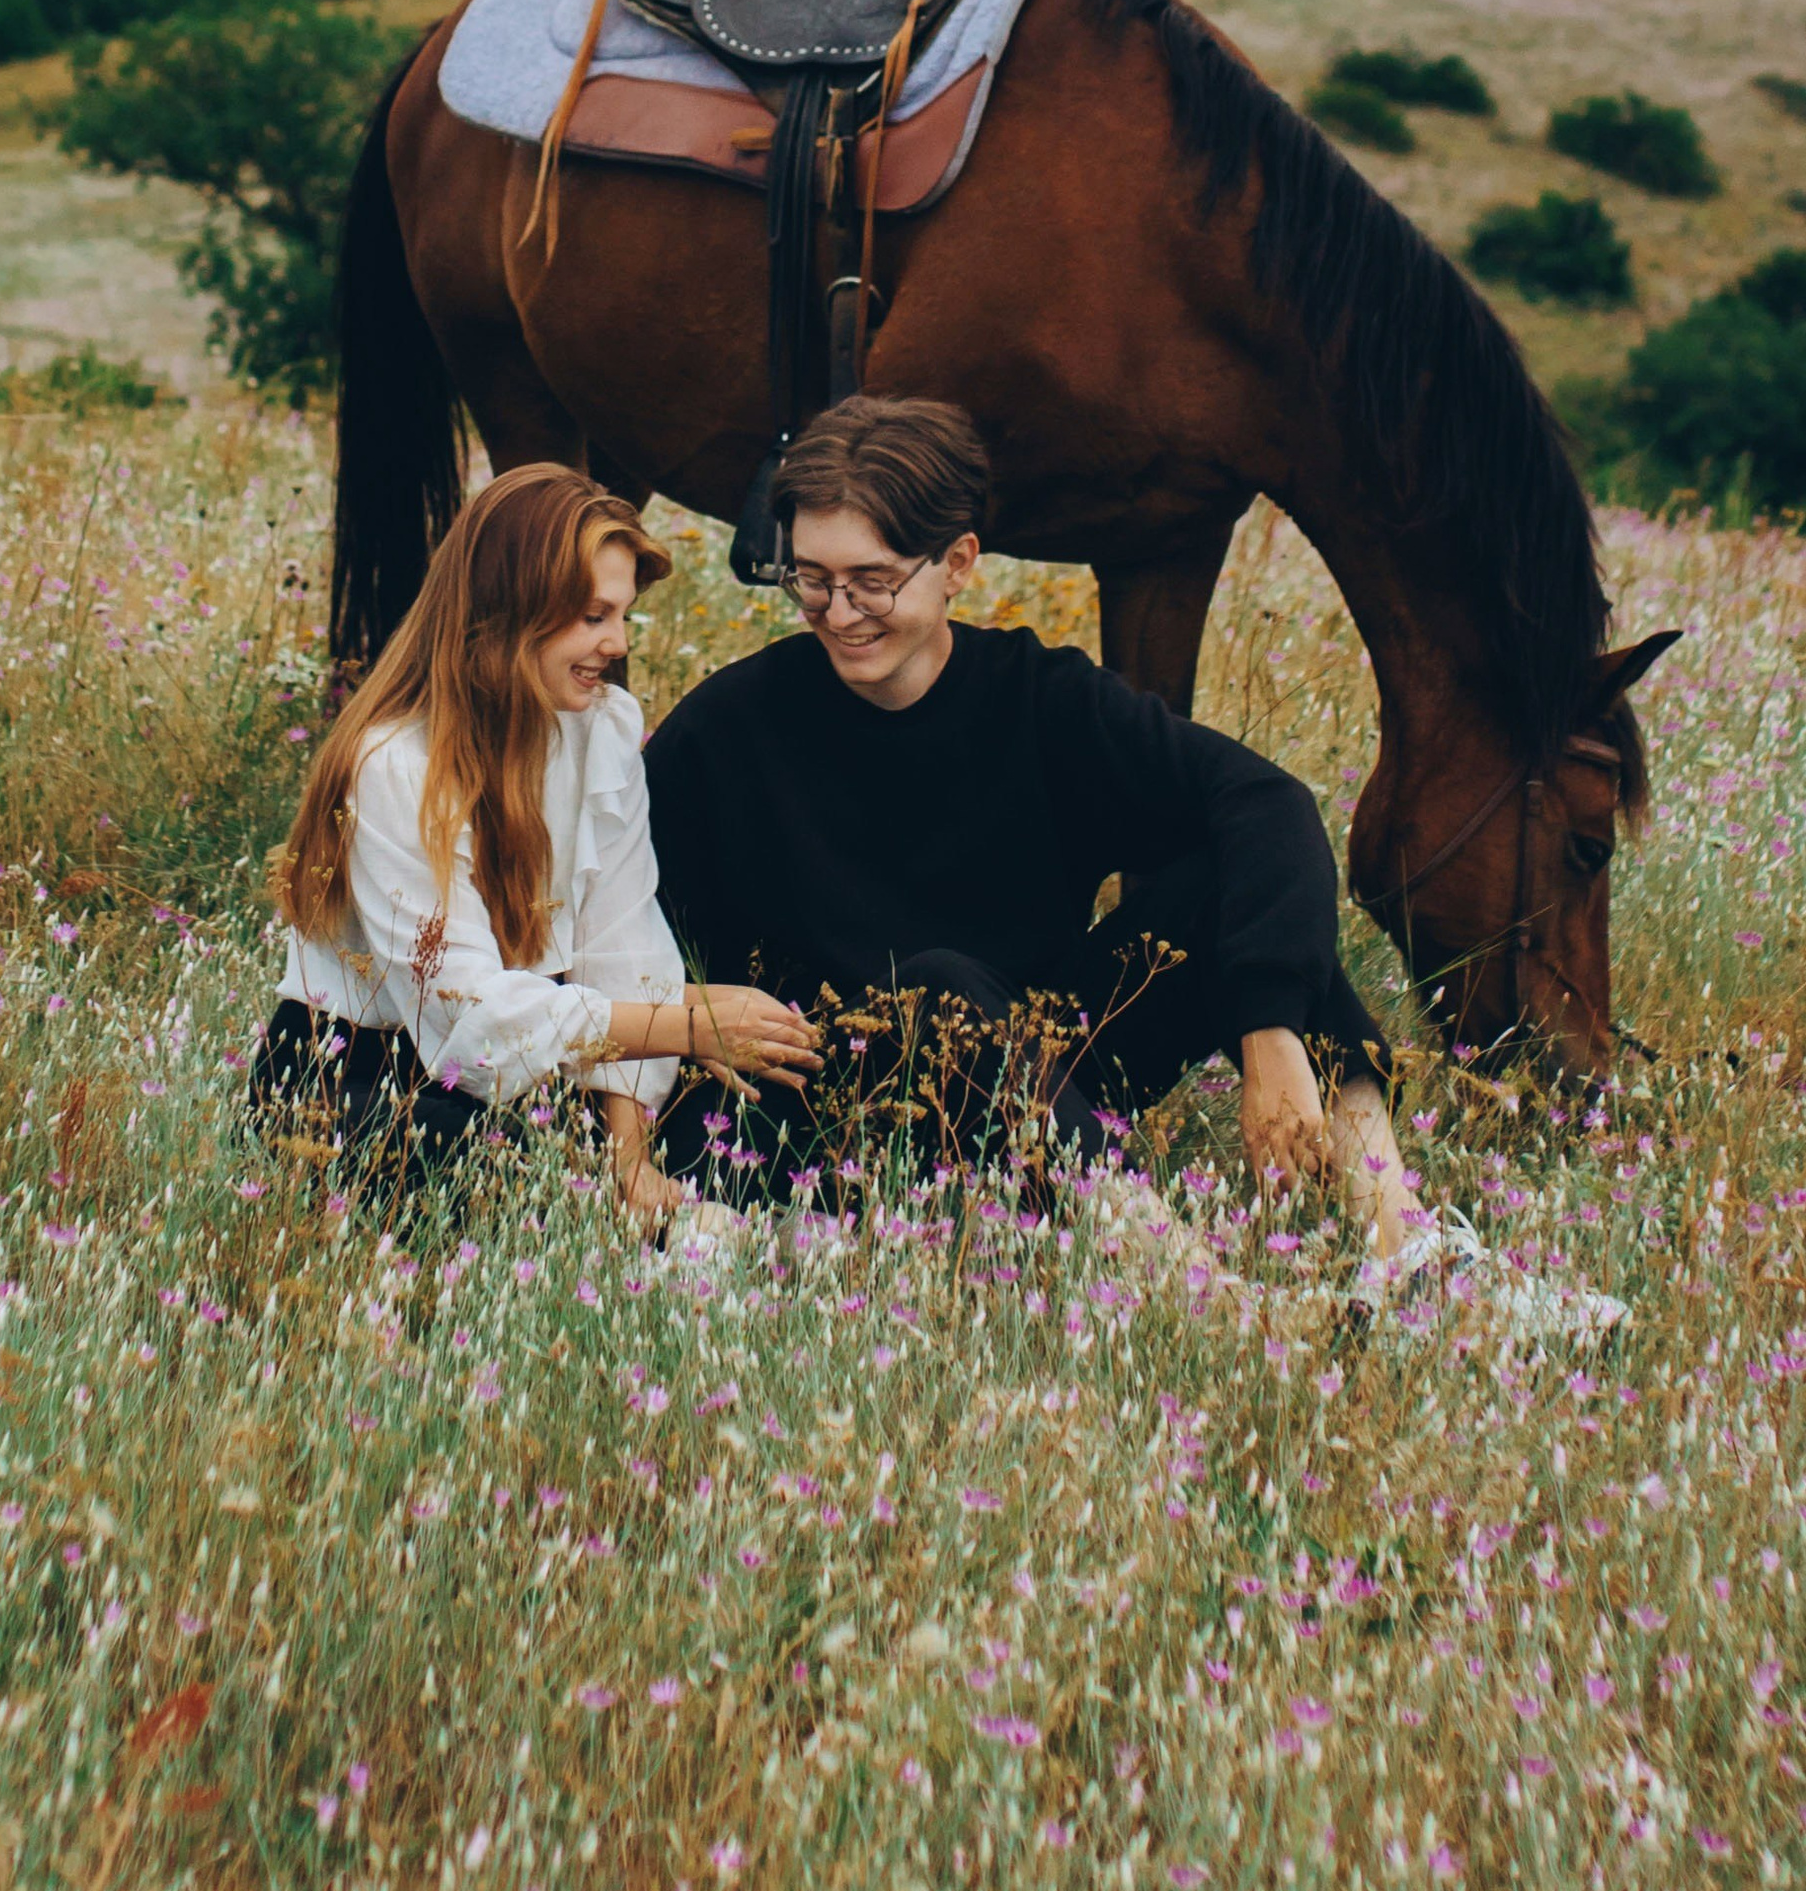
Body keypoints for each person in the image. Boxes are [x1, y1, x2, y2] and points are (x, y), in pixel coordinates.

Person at [643, 396, 1413, 1253]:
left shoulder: (1039, 697)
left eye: (873, 580)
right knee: (937, 984)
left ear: (959, 562)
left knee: (1238, 879)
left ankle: (1404, 1241)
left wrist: (1268, 1029)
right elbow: (605, 919)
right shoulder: (730, 726)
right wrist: (676, 1014)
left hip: (1048, 1070)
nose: (838, 611)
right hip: (838, 1100)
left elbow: (1266, 802)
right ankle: (1180, 1276)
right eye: (812, 578)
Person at [262, 462, 818, 1216]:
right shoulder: (397, 765)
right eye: (593, 616)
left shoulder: (605, 729)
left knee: (746, 1124)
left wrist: (629, 1162)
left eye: (622, 616)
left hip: (536, 1070)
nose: (617, 643)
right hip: (364, 1078)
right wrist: (692, 1028)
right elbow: (465, 1023)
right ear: (509, 608)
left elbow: (624, 949)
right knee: (503, 1174)